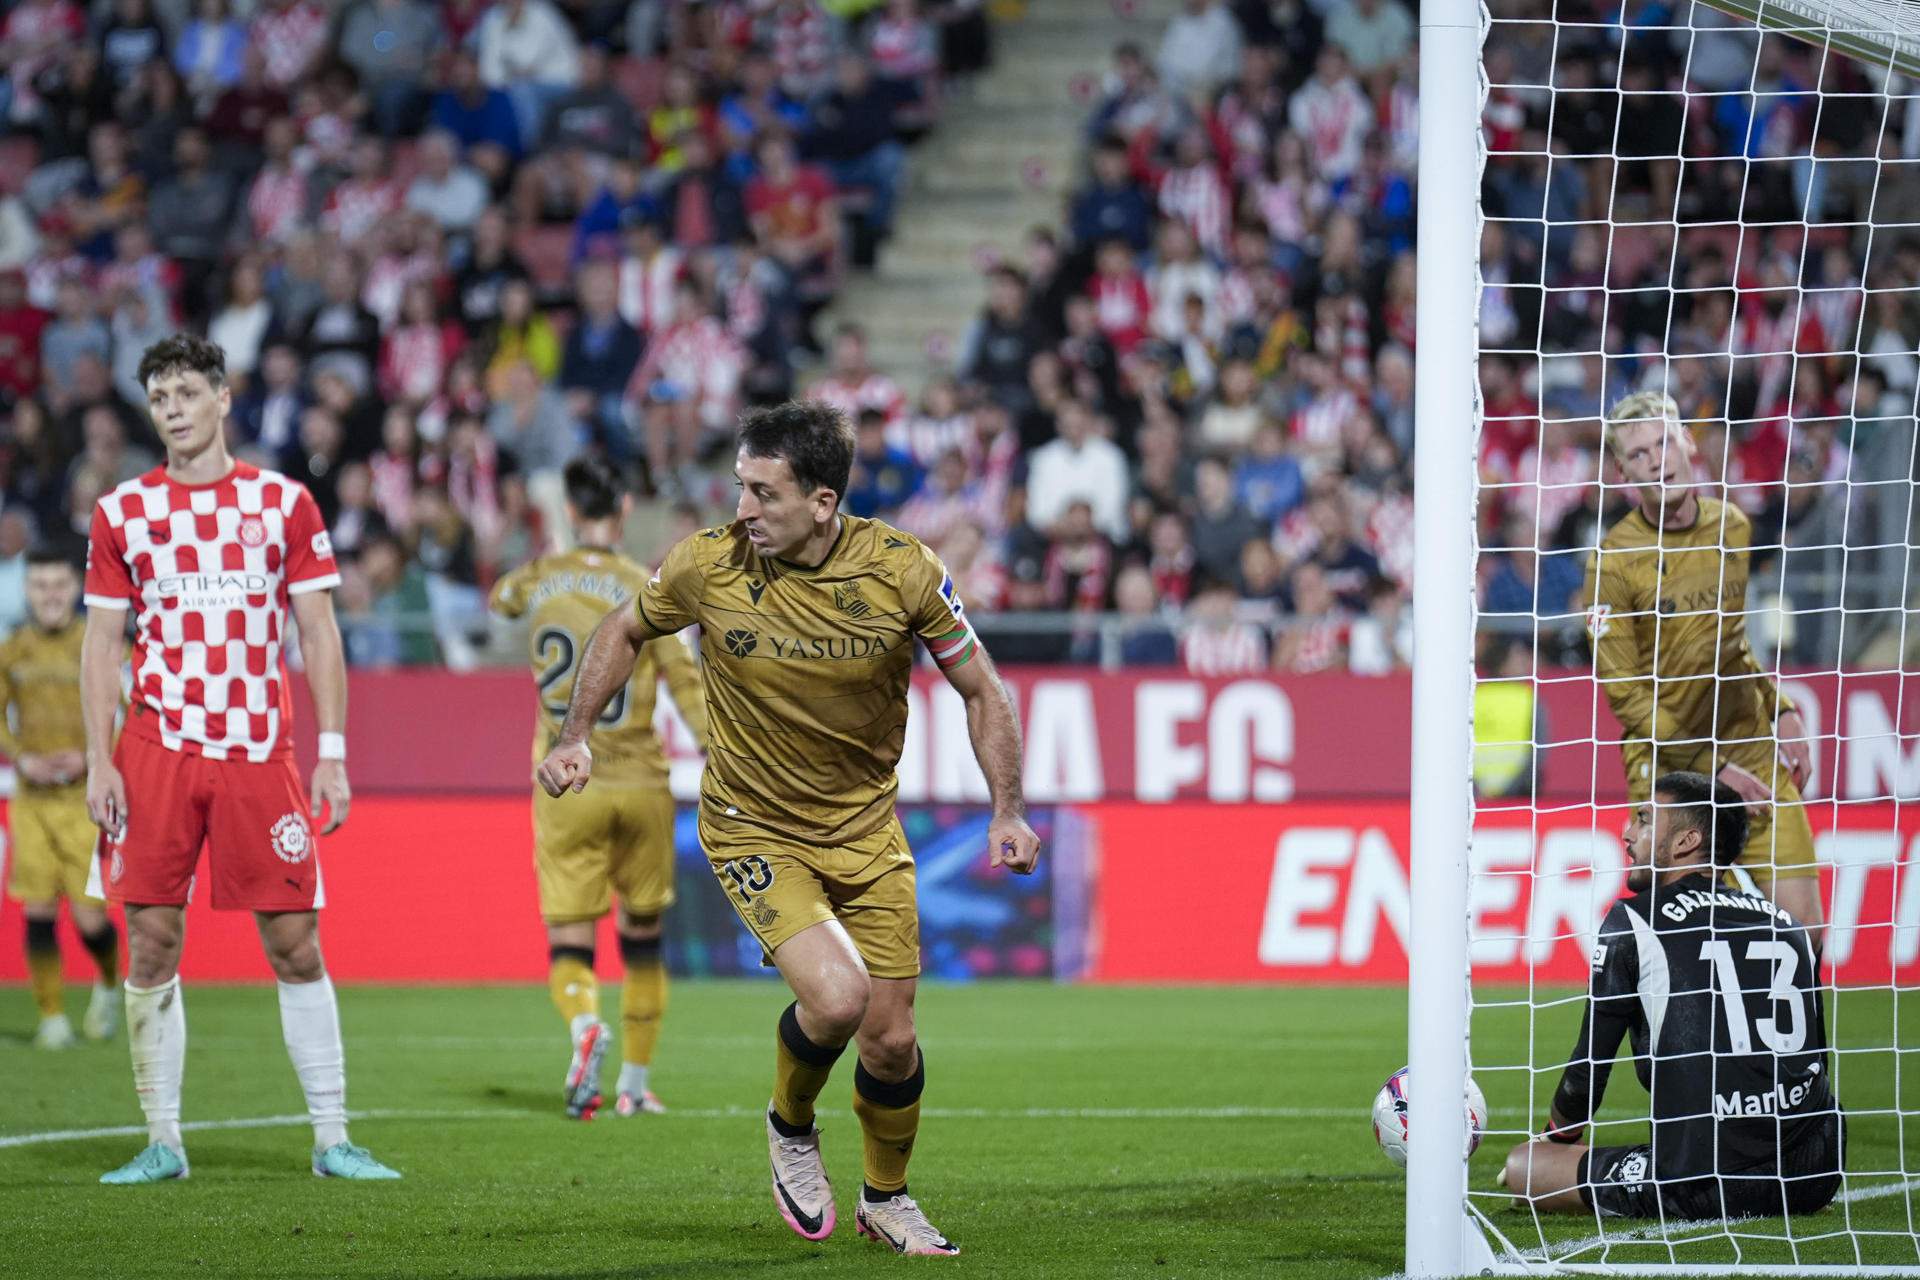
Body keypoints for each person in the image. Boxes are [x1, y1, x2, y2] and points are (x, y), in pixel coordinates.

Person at [538, 401, 1040, 1255]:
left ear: (823, 501)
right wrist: (576, 734)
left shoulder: (902, 570)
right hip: (753, 824)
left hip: (865, 826)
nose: (743, 509)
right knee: (839, 1000)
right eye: (740, 487)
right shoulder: (706, 564)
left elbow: (982, 687)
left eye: (763, 493)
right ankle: (790, 1124)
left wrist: (1008, 808)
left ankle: (886, 1201)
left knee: (891, 1037)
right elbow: (625, 629)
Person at [80, 335, 399, 1184]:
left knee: (295, 941)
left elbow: (318, 630)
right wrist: (98, 761)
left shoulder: (284, 503)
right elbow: (101, 643)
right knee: (150, 940)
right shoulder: (121, 513)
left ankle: (332, 1137)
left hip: (260, 751)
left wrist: (331, 754)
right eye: (159, 398)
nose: (173, 409)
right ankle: (163, 1140)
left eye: (186, 391)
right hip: (153, 748)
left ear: (224, 398)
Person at [1501, 771, 1843, 1222]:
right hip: (1811, 1175)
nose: (1627, 833)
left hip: (1703, 1181)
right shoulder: (1788, 925)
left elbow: (1587, 1073)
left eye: (1643, 820)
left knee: (1523, 1168)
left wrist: (1554, 1141)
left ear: (1686, 841)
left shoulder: (1634, 921)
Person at [487, 458, 707, 1120]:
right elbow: (687, 685)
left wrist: (552, 553)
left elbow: (499, 602)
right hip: (641, 781)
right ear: (627, 505)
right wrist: (722, 753)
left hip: (566, 782)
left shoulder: (541, 577)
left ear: (573, 513)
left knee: (571, 943)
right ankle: (636, 1087)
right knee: (643, 938)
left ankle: (586, 1028)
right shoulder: (646, 585)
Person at [1581, 392, 1822, 940]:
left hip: (1749, 755)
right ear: (1622, 471)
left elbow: (1731, 647)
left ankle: (1793, 1031)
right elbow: (1626, 695)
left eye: (1665, 441)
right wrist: (1708, 772)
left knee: (1806, 932)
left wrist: (1781, 709)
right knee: (1690, 942)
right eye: (1639, 453)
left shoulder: (1734, 527)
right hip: (1669, 771)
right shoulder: (1612, 564)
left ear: (1688, 441)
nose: (1657, 460)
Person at [3, 548, 119, 1048]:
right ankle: (52, 1017)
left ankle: (110, 983)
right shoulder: (12, 651)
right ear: (27, 591)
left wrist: (97, 756)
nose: (50, 595)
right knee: (38, 910)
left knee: (91, 918)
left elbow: (132, 712)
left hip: (83, 801)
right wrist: (18, 756)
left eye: (59, 585)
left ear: (76, 589)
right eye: (40, 586)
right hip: (30, 799)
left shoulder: (101, 646)